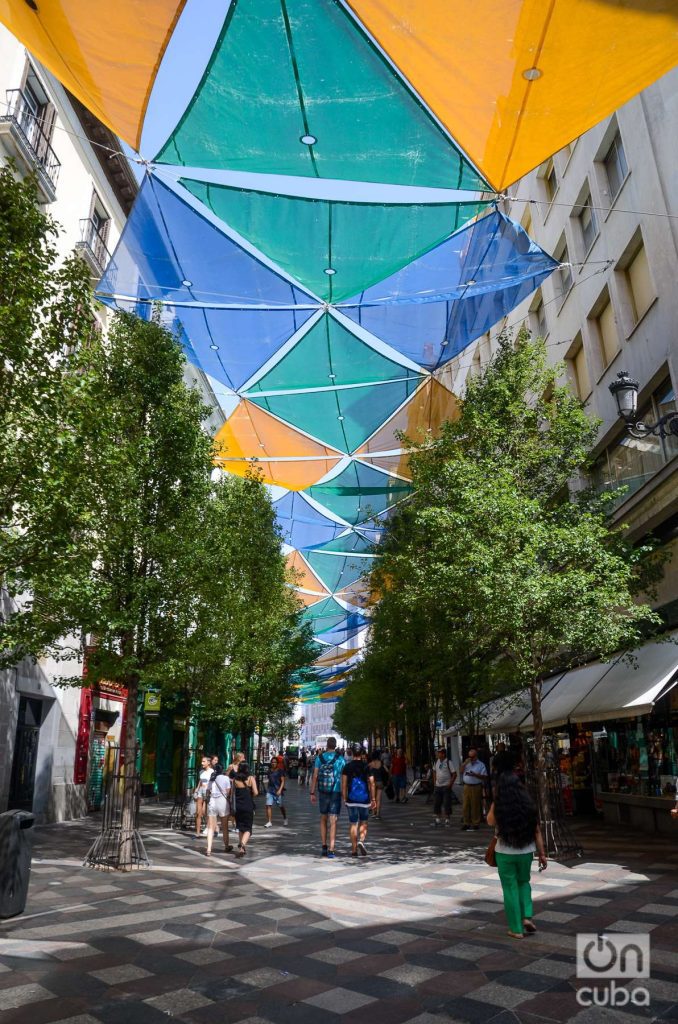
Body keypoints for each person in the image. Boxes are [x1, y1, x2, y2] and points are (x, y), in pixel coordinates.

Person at [487, 768, 548, 938]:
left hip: (505, 852)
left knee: (510, 888)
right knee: (524, 883)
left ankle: (515, 929)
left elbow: (490, 821)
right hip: (526, 851)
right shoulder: (528, 804)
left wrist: (494, 803)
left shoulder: (499, 804)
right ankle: (526, 917)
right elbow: (537, 831)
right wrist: (542, 854)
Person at [310, 736, 345, 858]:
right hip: (335, 791)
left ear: (327, 745)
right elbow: (343, 777)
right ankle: (332, 849)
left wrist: (312, 792)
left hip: (323, 791)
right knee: (333, 820)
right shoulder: (340, 759)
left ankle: (324, 846)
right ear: (335, 746)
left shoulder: (319, 758)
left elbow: (315, 776)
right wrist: (344, 794)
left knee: (323, 818)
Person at [341, 745, 376, 857]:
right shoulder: (367, 766)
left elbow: (344, 784)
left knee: (353, 823)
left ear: (351, 753)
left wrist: (344, 797)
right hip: (364, 799)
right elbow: (372, 783)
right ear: (362, 753)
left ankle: (354, 850)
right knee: (364, 821)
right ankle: (361, 840)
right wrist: (373, 798)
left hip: (351, 799)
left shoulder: (347, 766)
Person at [204, 763, 233, 856]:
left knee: (210, 828)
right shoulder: (226, 778)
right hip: (223, 803)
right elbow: (228, 792)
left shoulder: (212, 779)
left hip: (213, 802)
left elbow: (207, 791)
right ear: (222, 770)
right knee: (225, 827)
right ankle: (226, 846)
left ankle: (208, 849)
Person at [232, 761, 258, 857]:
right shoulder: (251, 778)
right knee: (248, 828)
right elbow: (256, 792)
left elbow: (232, 793)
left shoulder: (235, 780)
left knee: (240, 827)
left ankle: (241, 849)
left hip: (238, 806)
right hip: (248, 805)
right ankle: (242, 844)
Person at [461, 747, 488, 830]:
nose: (470, 758)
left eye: (472, 757)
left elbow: (484, 776)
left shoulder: (481, 764)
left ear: (476, 756)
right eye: (469, 756)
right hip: (466, 786)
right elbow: (461, 771)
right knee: (465, 805)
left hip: (476, 786)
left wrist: (475, 775)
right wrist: (464, 764)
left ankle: (475, 823)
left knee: (475, 805)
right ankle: (466, 822)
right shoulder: (467, 763)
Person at [432, 747, 456, 826]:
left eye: (439, 753)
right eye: (437, 753)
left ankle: (447, 819)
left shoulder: (449, 762)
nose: (438, 754)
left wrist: (450, 784)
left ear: (443, 754)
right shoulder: (436, 761)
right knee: (437, 802)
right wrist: (435, 782)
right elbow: (434, 771)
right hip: (438, 786)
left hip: (446, 786)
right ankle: (438, 819)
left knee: (447, 803)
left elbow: (454, 774)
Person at [192, 754, 213, 838]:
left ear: (208, 762)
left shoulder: (212, 771)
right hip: (200, 791)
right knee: (198, 813)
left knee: (205, 812)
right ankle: (197, 833)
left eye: (203, 761)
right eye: (202, 761)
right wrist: (197, 789)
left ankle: (209, 828)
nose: (202, 763)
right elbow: (200, 781)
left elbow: (213, 782)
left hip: (208, 792)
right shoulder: (201, 771)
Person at [265, 755, 288, 828]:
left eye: (275, 762)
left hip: (278, 790)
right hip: (270, 790)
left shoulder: (280, 771)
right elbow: (269, 781)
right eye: (272, 762)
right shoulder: (269, 771)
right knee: (268, 805)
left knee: (280, 806)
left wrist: (280, 790)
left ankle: (285, 818)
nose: (273, 763)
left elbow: (283, 781)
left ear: (277, 763)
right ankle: (269, 821)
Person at [368, 750, 386, 819]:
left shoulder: (370, 764)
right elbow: (386, 770)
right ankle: (378, 814)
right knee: (378, 799)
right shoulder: (381, 763)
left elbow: (366, 772)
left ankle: (373, 813)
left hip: (372, 783)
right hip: (380, 782)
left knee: (373, 798)